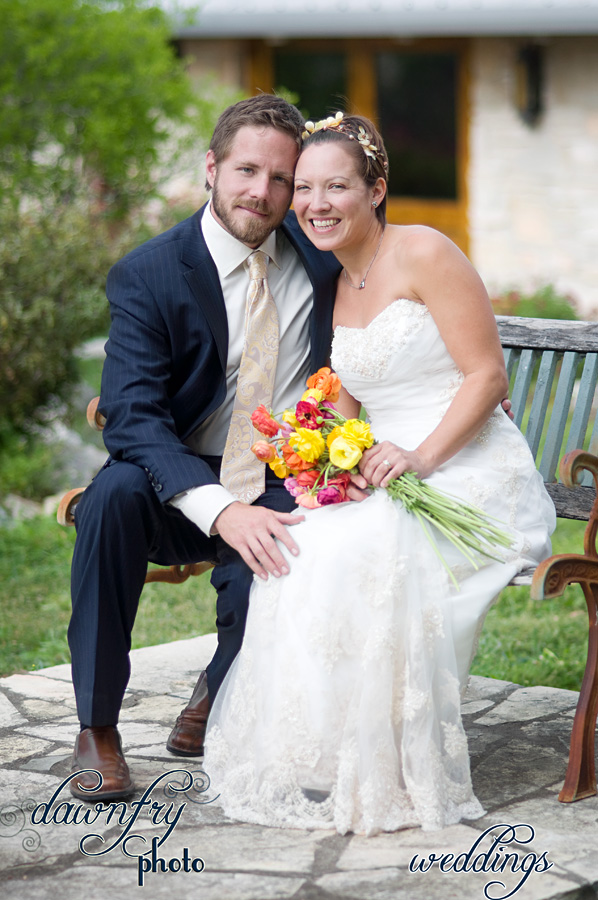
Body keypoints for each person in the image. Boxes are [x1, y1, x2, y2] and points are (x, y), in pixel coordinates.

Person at [203, 114, 556, 835]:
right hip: (387, 467)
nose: (315, 203)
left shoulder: (424, 251)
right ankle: (328, 751)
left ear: (378, 190)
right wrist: (318, 456)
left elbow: (487, 377)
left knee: (361, 551)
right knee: (302, 540)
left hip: (464, 466)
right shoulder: (340, 281)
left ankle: (389, 752)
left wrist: (420, 457)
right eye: (304, 188)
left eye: (337, 186)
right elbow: (349, 399)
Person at [67, 94, 342, 800]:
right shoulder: (151, 272)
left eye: (283, 179)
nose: (264, 192)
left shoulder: (322, 259)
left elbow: (401, 294)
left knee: (308, 529)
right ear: (212, 168)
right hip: (177, 479)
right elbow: (130, 417)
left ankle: (218, 689)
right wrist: (220, 508)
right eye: (248, 171)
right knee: (110, 499)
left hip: (281, 466)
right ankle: (97, 726)